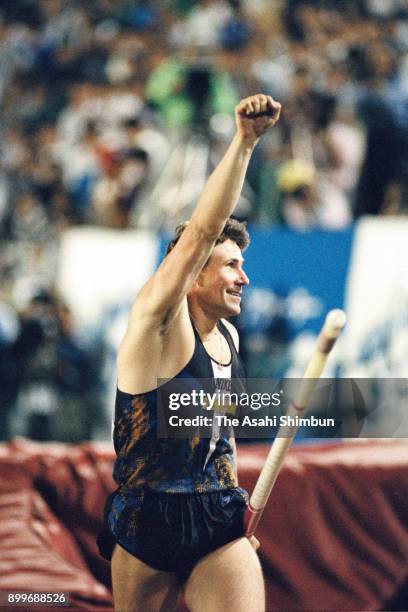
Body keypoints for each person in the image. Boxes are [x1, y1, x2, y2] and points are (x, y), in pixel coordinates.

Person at [97, 94, 281, 612]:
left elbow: (217, 441)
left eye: (242, 264)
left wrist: (235, 506)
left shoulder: (229, 338)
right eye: (229, 265)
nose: (243, 278)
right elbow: (201, 230)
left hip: (218, 519)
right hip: (148, 521)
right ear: (193, 273)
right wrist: (245, 143)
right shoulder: (155, 322)